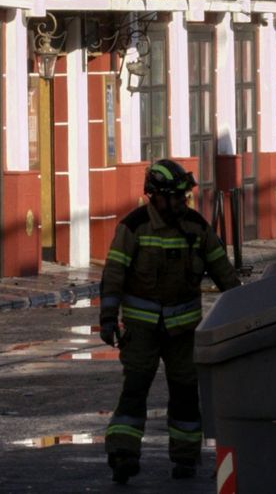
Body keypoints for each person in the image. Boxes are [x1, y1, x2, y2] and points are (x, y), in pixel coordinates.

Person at [100, 159, 239, 484]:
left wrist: (244, 311)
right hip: (141, 331)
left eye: (183, 196)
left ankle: (186, 459)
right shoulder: (133, 227)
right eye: (175, 197)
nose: (181, 202)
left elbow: (224, 274)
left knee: (186, 394)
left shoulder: (196, 228)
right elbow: (114, 275)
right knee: (134, 391)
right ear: (156, 196)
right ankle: (123, 454)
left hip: (183, 331)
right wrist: (108, 318)